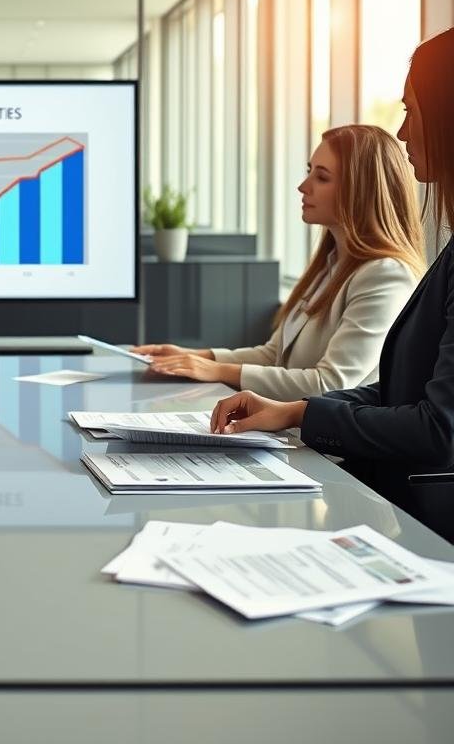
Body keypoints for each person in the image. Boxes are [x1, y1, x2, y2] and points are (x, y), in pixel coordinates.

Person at [210, 29, 454, 531]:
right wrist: (294, 410)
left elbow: (438, 425)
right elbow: (400, 393)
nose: (403, 133)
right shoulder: (338, 265)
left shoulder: (385, 274)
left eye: (411, 111)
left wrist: (298, 411)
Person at [133, 124, 424, 398]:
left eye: (321, 177)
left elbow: (330, 384)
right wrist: (195, 357)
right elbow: (274, 355)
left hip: (330, 450)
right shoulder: (332, 265)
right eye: (309, 171)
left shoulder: (385, 275)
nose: (303, 186)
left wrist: (215, 370)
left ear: (360, 190)